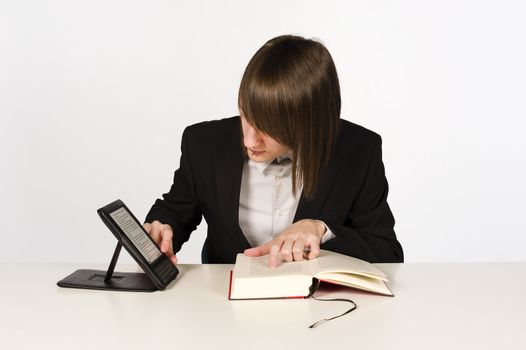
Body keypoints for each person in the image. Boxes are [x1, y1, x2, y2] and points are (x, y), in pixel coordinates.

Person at [143, 35, 404, 267]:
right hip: (223, 304)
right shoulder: (203, 143)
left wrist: (321, 229)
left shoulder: (359, 149)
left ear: (307, 125)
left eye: (268, 128)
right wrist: (160, 231)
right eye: (245, 116)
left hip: (317, 305)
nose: (248, 140)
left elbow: (387, 253)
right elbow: (175, 212)